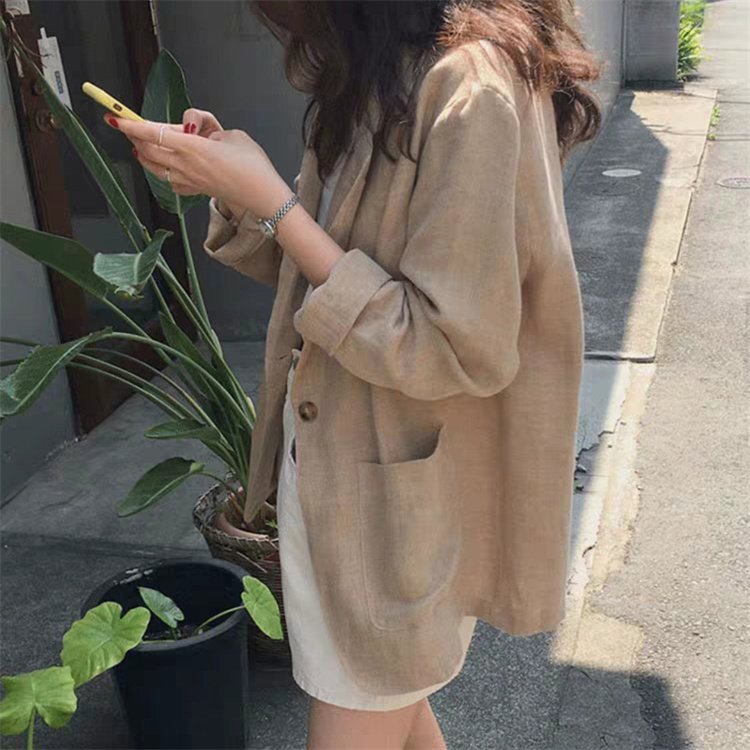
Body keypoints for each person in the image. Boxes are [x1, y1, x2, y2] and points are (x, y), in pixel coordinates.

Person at [107, 1, 602, 747]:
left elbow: (453, 346)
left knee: (375, 692)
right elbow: (325, 268)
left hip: (395, 506)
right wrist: (234, 188)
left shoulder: (470, 86)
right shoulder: (385, 67)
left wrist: (273, 202)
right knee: (397, 707)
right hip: (339, 475)